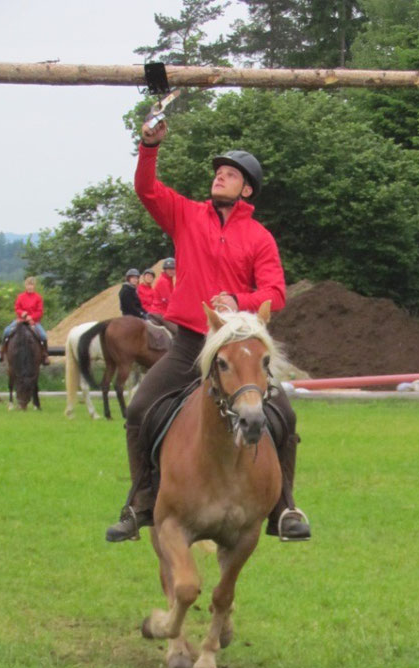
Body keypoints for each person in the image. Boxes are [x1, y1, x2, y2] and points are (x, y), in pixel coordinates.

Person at [105, 116, 311, 544]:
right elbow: (146, 189)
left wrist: (241, 303)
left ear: (247, 189)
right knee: (141, 408)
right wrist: (148, 146)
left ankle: (285, 508)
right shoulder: (185, 216)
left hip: (239, 348)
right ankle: (140, 502)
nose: (220, 176)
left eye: (231, 173)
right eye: (219, 171)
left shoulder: (259, 237)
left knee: (285, 417)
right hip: (189, 346)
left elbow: (276, 290)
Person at [0, 276, 50, 364]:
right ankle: (1, 351)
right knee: (6, 331)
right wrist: (22, 314)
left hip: (34, 322)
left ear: (34, 286)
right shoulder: (20, 297)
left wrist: (31, 317)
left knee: (43, 336)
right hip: (20, 320)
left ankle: (45, 355)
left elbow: (39, 312)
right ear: (25, 286)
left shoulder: (38, 298)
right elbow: (17, 308)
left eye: (31, 285)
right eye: (28, 285)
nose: (30, 287)